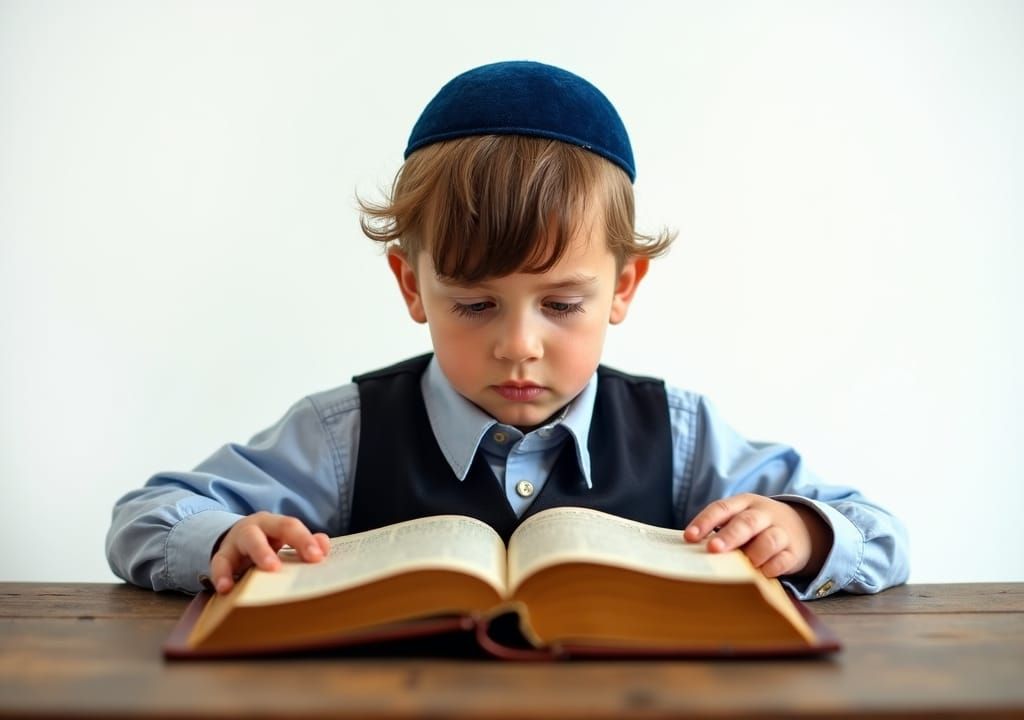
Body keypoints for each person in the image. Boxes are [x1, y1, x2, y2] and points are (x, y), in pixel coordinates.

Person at [106, 60, 908, 600]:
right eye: (475, 303)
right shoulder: (343, 434)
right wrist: (221, 540)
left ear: (624, 287)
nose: (519, 345)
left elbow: (879, 533)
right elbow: (148, 513)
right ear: (410, 285)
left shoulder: (683, 433)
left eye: (562, 305)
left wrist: (803, 531)